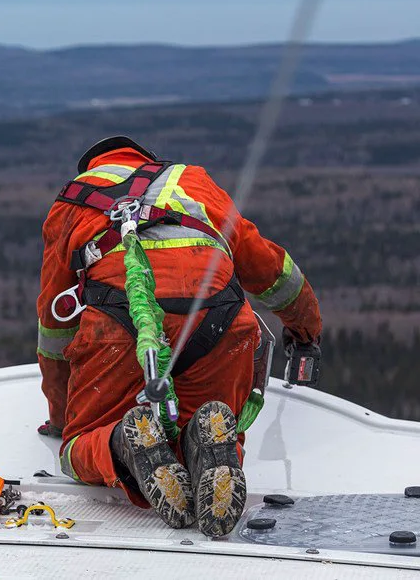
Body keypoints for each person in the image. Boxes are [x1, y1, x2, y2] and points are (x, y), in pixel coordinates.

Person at [36, 136, 322, 536]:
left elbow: (55, 325)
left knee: (77, 449)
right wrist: (305, 330)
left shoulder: (72, 203)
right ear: (147, 160)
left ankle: (122, 442)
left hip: (120, 326)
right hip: (221, 321)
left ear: (91, 166)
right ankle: (213, 439)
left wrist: (61, 417)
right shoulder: (193, 181)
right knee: (204, 428)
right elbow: (273, 271)